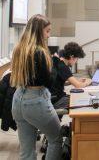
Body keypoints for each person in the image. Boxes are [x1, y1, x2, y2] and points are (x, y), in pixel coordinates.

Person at [10, 14, 62, 159]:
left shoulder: (19, 49)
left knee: (27, 151)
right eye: (47, 31)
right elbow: (49, 82)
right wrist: (55, 62)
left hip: (18, 99)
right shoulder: (39, 52)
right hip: (36, 101)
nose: (48, 35)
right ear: (39, 31)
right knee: (56, 139)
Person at [50, 42, 91, 110]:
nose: (76, 62)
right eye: (77, 59)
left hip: (54, 97)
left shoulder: (58, 63)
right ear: (72, 57)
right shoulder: (63, 66)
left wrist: (73, 81)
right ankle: (78, 120)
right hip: (57, 100)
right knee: (84, 103)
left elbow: (57, 82)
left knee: (78, 99)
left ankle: (76, 120)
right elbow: (78, 86)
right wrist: (88, 82)